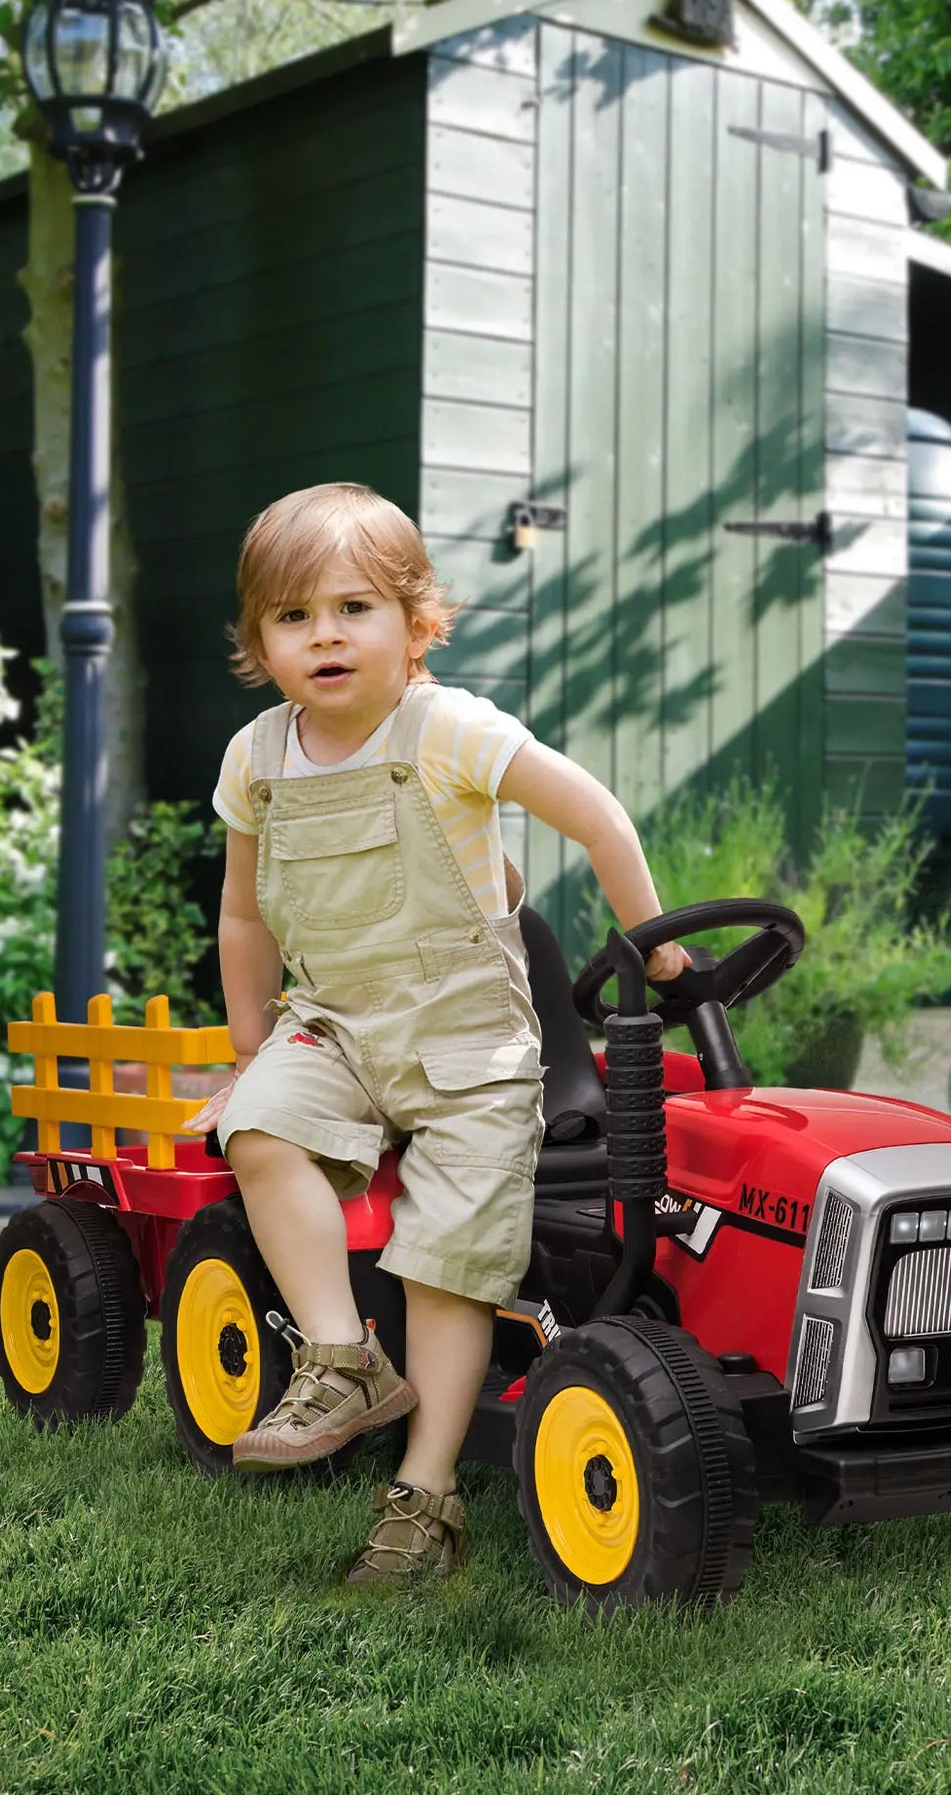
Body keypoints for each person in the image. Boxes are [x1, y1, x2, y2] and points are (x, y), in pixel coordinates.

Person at [185, 481, 688, 1587]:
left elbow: (594, 813)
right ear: (257, 640)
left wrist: (651, 945)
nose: (323, 634)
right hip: (334, 1025)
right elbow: (242, 912)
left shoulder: (449, 726)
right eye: (291, 615)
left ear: (416, 626)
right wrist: (244, 1052)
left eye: (354, 606)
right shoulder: (256, 758)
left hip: (467, 1044)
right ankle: (339, 1356)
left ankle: (426, 1491)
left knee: (448, 1260)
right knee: (260, 1130)